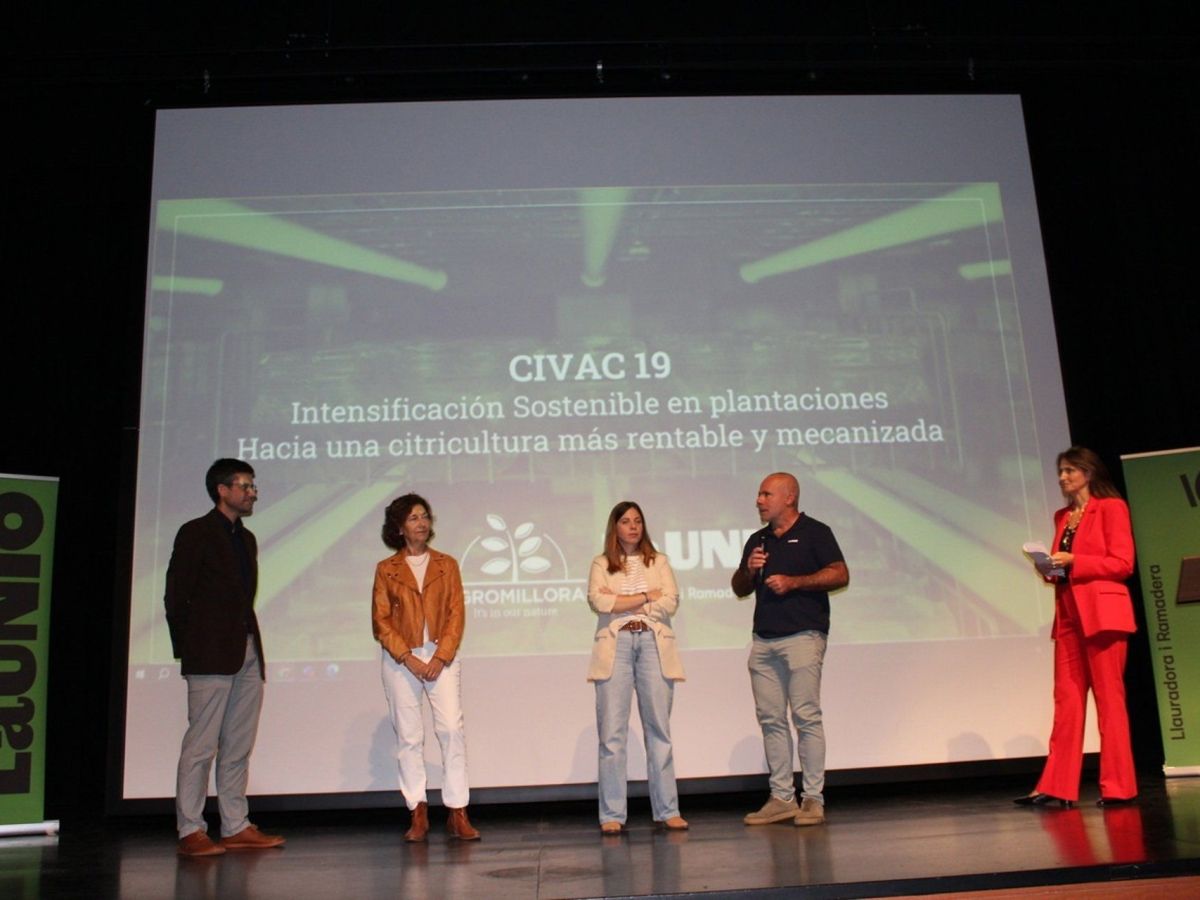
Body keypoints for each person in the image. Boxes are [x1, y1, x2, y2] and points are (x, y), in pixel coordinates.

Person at [164, 458, 285, 857]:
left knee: (238, 745)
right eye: (245, 486)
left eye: (252, 486)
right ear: (222, 490)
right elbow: (176, 596)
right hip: (209, 655)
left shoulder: (246, 539)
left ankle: (235, 825)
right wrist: (189, 649)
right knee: (201, 746)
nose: (252, 493)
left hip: (247, 650)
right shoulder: (196, 532)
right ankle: (190, 829)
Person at [1015, 447, 1138, 808]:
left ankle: (1119, 787)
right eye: (1061, 471)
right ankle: (1056, 786)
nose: (1063, 477)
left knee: (1109, 702)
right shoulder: (1063, 516)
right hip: (1069, 616)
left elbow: (1123, 563)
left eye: (1069, 470)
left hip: (1103, 616)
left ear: (1088, 472)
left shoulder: (1111, 508)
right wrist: (1049, 568)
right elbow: (1063, 569)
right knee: (1066, 701)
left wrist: (1075, 561)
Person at [731, 472, 849, 827]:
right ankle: (782, 797)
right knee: (771, 720)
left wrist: (795, 582)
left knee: (806, 717)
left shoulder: (816, 532)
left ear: (789, 497)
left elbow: (840, 574)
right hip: (763, 640)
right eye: (759, 494)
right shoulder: (758, 539)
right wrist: (749, 570)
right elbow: (739, 588)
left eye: (766, 494)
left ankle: (812, 798)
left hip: (803, 636)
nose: (759, 500)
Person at [372, 493, 479, 841]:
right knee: (409, 736)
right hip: (401, 661)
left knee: (451, 730)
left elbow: (456, 614)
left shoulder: (447, 564)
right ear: (399, 527)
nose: (421, 523)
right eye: (413, 518)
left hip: (439, 657)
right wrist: (408, 657)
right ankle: (417, 812)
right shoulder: (386, 569)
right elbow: (381, 622)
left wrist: (440, 656)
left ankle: (457, 811)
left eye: (424, 516)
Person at [587, 501, 688, 835]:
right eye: (626, 521)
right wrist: (647, 596)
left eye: (638, 521)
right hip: (615, 645)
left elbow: (670, 601)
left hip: (653, 643)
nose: (633, 527)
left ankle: (667, 810)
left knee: (659, 729)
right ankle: (612, 813)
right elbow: (600, 602)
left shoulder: (659, 561)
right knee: (612, 734)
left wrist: (623, 602)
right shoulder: (601, 563)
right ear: (614, 527)